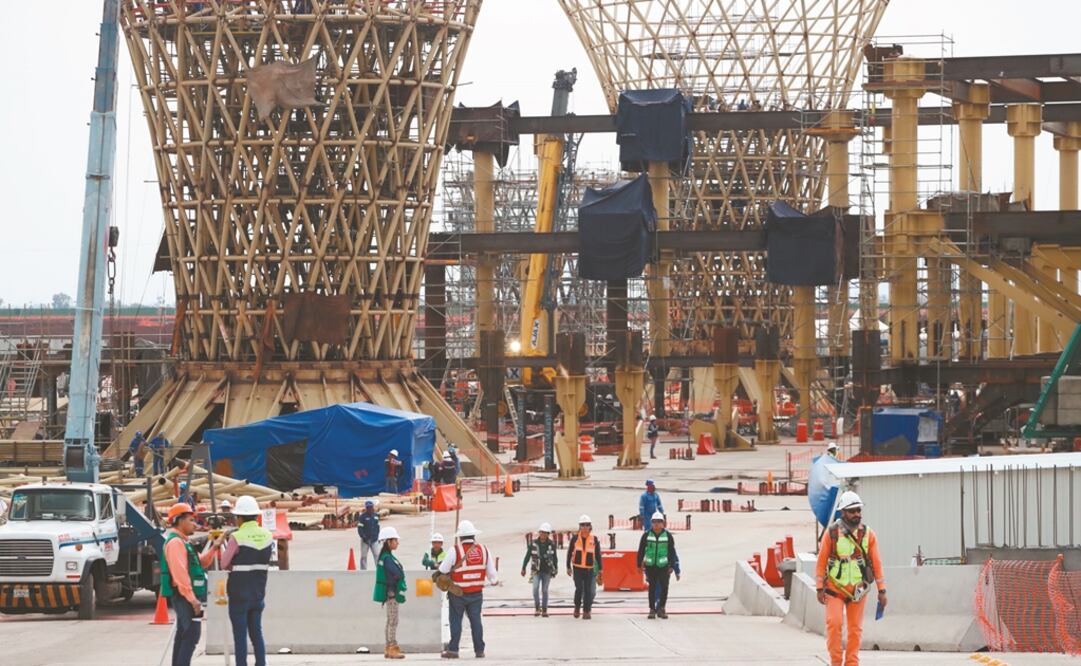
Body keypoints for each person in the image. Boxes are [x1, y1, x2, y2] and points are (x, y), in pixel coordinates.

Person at [816, 491, 887, 666]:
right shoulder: (831, 533)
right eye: (852, 511)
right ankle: (835, 662)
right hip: (834, 589)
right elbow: (821, 561)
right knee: (834, 625)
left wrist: (882, 590)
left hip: (858, 590)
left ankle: (852, 663)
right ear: (843, 513)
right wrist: (819, 587)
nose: (857, 514)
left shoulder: (868, 534)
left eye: (858, 510)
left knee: (855, 630)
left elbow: (877, 564)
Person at [161, 502, 222, 666]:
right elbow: (179, 573)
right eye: (191, 520)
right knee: (192, 634)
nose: (194, 524)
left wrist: (214, 547)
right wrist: (192, 599)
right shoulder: (175, 543)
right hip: (185, 597)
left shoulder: (184, 542)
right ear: (180, 521)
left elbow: (201, 563)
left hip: (188, 596)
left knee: (183, 633)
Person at [220, 496, 272, 666]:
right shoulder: (267, 536)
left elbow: (224, 563)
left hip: (238, 594)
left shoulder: (237, 536)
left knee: (240, 636)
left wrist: (219, 545)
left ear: (239, 518)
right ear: (257, 516)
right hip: (258, 593)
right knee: (257, 634)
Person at [438, 520, 498, 659]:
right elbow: (493, 576)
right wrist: (494, 581)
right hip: (476, 594)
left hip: (457, 593)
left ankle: (453, 650)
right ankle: (479, 650)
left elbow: (443, 569)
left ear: (460, 537)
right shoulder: (484, 550)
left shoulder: (455, 550)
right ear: (473, 535)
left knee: (456, 621)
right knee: (476, 621)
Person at [636, 512, 680, 619]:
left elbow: (672, 552)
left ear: (663, 523)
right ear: (651, 523)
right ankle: (652, 609)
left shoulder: (668, 536)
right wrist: (639, 564)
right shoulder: (646, 535)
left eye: (659, 522)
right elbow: (641, 550)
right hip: (651, 566)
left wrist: (672, 566)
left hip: (663, 566)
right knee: (652, 588)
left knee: (664, 587)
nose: (656, 524)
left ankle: (662, 608)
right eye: (654, 522)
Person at [374, 526, 407, 660]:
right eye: (395, 540)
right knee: (393, 621)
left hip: (388, 592)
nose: (397, 542)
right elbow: (397, 573)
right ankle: (392, 647)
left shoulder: (384, 556)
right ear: (388, 542)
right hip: (392, 593)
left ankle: (388, 647)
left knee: (390, 621)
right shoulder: (387, 558)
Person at [567, 514, 602, 619]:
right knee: (579, 588)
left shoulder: (594, 539)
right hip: (577, 568)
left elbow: (598, 555)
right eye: (583, 525)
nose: (585, 527)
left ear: (590, 526)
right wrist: (568, 567)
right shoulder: (574, 539)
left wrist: (601, 569)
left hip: (589, 569)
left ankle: (586, 611)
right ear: (580, 526)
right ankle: (577, 606)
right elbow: (569, 553)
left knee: (588, 590)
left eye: (587, 525)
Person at [521, 522, 558, 617]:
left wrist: (555, 569)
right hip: (536, 571)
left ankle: (544, 609)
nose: (543, 534)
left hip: (547, 571)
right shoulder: (533, 543)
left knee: (545, 590)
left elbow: (555, 558)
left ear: (548, 534)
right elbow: (527, 556)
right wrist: (523, 567)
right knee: (535, 588)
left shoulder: (551, 544)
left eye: (545, 533)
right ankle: (537, 607)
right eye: (541, 532)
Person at [357, 500, 380, 570]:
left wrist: (377, 536)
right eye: (368, 507)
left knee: (377, 555)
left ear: (373, 507)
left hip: (374, 540)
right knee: (363, 556)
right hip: (365, 540)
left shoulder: (376, 516)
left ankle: (379, 569)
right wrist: (363, 537)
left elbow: (377, 527)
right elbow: (360, 528)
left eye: (370, 507)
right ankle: (363, 570)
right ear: (366, 508)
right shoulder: (362, 517)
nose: (369, 509)